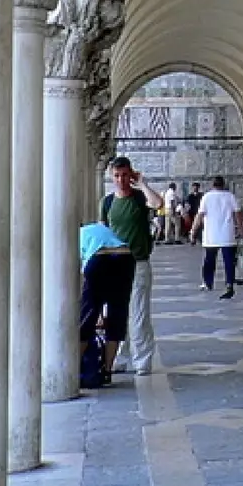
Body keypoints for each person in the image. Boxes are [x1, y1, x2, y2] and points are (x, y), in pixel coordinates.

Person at [100, 157, 164, 376]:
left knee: (138, 313)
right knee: (116, 313)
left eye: (125, 175)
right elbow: (103, 232)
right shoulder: (107, 202)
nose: (121, 180)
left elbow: (157, 204)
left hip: (138, 262)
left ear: (132, 174)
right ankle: (119, 356)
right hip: (114, 265)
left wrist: (143, 184)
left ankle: (142, 359)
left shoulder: (138, 197)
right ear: (111, 176)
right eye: (117, 176)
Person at [77, 220, 135, 386]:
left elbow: (84, 276)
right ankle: (107, 371)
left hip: (99, 258)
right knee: (118, 312)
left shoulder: (74, 236)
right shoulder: (99, 229)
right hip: (125, 257)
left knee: (87, 317)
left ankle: (74, 369)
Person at [192, 173, 243, 296]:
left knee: (209, 260)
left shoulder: (206, 197)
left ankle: (208, 282)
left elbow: (199, 216)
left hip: (211, 235)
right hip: (227, 234)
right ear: (223, 184)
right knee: (229, 261)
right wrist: (241, 230)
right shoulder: (230, 196)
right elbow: (238, 215)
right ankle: (229, 283)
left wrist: (193, 231)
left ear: (212, 185)